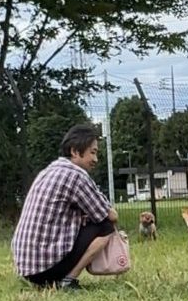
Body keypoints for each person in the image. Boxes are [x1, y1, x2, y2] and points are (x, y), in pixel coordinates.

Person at [11, 124, 118, 290]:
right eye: (93, 152)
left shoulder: (50, 170)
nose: (96, 159)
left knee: (92, 221)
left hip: (26, 268)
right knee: (105, 226)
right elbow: (109, 215)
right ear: (75, 151)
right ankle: (68, 281)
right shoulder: (76, 175)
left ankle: (59, 279)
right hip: (44, 269)